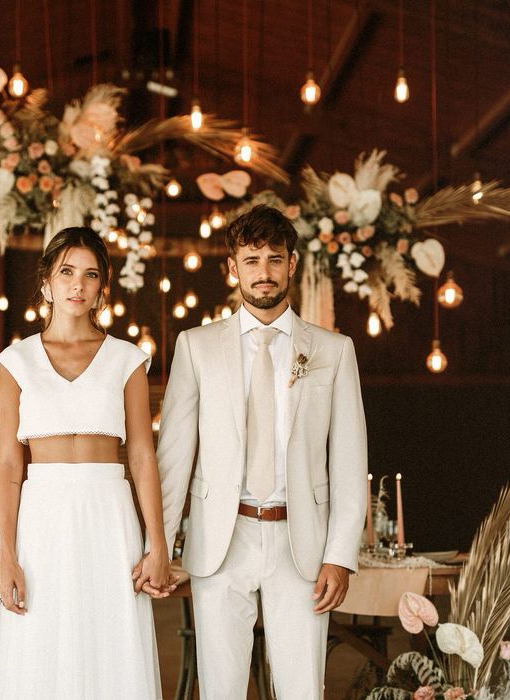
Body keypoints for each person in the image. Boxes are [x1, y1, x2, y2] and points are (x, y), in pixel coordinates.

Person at [156, 204, 368, 699]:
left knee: (301, 689)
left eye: (275, 259)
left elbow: (350, 461)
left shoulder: (333, 351)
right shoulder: (196, 346)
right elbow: (174, 458)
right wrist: (161, 545)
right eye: (251, 260)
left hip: (302, 543)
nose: (264, 273)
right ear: (232, 268)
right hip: (220, 541)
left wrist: (340, 555)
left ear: (292, 264)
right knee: (221, 689)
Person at [0, 226, 174, 699]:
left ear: (101, 287)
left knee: (112, 643)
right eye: (66, 272)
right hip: (42, 518)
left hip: (108, 516)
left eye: (90, 275)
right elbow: (9, 464)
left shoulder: (126, 359)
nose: (78, 284)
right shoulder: (16, 360)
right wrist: (6, 554)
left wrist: (158, 544)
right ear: (46, 282)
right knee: (40, 642)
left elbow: (141, 455)